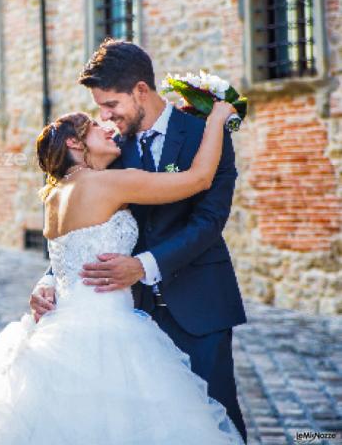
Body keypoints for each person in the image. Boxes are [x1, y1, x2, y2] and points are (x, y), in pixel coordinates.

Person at [0, 80, 244, 442]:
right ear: (74, 142)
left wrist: (47, 282)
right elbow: (198, 178)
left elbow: (66, 256)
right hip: (111, 333)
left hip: (60, 330)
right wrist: (217, 118)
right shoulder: (108, 184)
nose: (108, 126)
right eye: (97, 127)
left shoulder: (53, 195)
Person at [31, 39, 247, 442]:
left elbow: (209, 219)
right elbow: (83, 229)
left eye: (111, 104)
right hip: (130, 318)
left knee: (216, 423)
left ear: (141, 91)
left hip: (199, 307)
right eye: (99, 110)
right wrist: (49, 280)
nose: (105, 116)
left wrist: (144, 266)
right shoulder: (110, 151)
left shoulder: (204, 134)